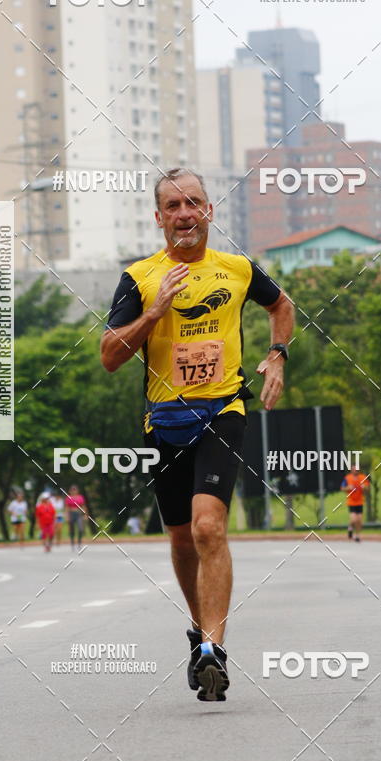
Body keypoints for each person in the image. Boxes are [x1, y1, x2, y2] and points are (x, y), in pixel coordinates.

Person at [101, 168, 293, 702]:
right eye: (173, 205)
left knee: (209, 527)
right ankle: (198, 630)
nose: (184, 213)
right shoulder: (140, 277)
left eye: (193, 203)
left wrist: (277, 354)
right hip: (165, 421)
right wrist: (154, 313)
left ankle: (214, 649)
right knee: (182, 537)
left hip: (223, 410)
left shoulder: (237, 268)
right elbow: (110, 356)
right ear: (158, 218)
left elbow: (282, 305)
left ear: (209, 210)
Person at [341, 467, 370, 542]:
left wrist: (364, 487)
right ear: (351, 470)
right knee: (354, 519)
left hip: (360, 501)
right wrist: (348, 488)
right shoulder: (347, 478)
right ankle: (350, 528)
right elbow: (342, 488)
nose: (356, 471)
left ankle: (357, 535)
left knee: (359, 520)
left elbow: (368, 488)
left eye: (357, 469)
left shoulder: (362, 477)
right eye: (354, 469)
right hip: (351, 502)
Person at [65, 485, 87, 550]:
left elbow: (83, 506)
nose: (73, 491)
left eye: (75, 490)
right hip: (71, 514)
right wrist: (67, 516)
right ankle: (72, 543)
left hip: (78, 514)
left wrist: (85, 514)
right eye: (72, 490)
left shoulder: (80, 497)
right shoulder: (68, 498)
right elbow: (67, 508)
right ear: (70, 491)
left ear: (77, 491)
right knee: (72, 530)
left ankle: (79, 543)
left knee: (80, 529)